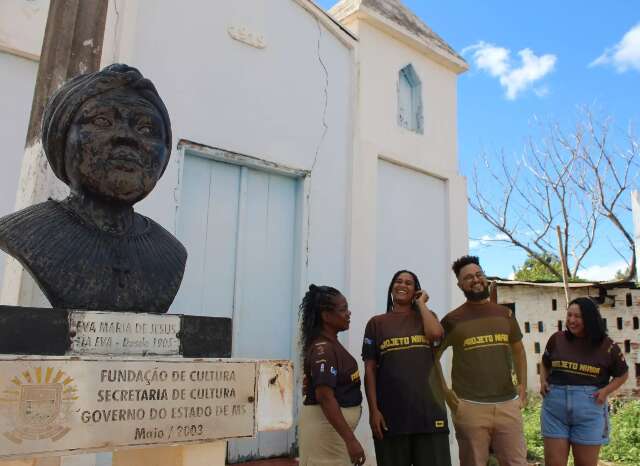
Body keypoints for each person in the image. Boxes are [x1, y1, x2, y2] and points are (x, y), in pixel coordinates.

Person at [0, 63, 186, 313]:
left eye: (145, 128)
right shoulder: (22, 232)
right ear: (61, 139)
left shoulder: (171, 253)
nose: (127, 137)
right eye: (102, 121)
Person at [439, 255, 528, 466]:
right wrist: (446, 393)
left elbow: (519, 351)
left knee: (516, 462)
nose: (475, 280)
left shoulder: (505, 314)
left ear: (485, 277)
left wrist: (522, 388)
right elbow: (432, 358)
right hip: (470, 407)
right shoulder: (452, 320)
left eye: (479, 274)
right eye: (468, 277)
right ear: (460, 284)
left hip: (508, 405)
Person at [362, 270, 451, 466]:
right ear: (392, 287)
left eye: (409, 283)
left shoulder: (428, 317)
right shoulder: (376, 324)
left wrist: (421, 304)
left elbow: (436, 335)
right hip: (391, 417)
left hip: (430, 415)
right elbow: (370, 370)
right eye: (398, 281)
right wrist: (373, 411)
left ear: (416, 291)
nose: (403, 285)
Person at [540, 297, 629, 466]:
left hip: (589, 409)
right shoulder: (556, 339)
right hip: (554, 409)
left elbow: (622, 375)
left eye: (578, 317)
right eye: (569, 315)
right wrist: (543, 381)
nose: (571, 321)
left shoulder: (607, 346)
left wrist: (606, 391)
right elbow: (545, 364)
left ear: (589, 318)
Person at [299, 284, 366, 466]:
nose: (348, 313)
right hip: (325, 437)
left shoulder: (330, 343)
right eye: (343, 309)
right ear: (326, 316)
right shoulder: (324, 350)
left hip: (332, 435)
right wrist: (351, 440)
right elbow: (325, 397)